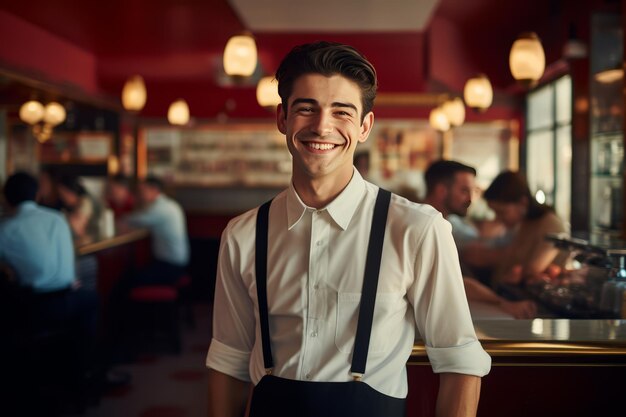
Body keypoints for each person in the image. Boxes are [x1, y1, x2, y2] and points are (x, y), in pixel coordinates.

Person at [206, 42, 490, 417]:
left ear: (364, 127)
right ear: (282, 119)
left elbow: (460, 363)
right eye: (306, 108)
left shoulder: (417, 229)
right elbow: (228, 361)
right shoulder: (242, 235)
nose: (322, 126)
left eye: (342, 111)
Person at [423, 160, 537, 319]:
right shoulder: (427, 227)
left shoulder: (447, 222)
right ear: (441, 191)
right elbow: (457, 281)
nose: (470, 199)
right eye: (464, 191)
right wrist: (502, 303)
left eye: (472, 191)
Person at [462, 170, 568, 288]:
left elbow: (532, 270)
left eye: (502, 212)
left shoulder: (551, 225)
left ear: (523, 203)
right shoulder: (523, 224)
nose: (499, 219)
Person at [123, 175, 189, 285]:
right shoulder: (169, 204)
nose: (141, 194)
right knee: (131, 275)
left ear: (154, 190)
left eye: (143, 190)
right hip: (176, 263)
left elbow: (135, 219)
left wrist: (120, 218)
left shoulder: (160, 208)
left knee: (127, 280)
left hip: (170, 266)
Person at [57, 174, 104, 244]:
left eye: (63, 193)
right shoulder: (70, 207)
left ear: (71, 191)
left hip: (91, 245)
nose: (62, 197)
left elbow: (77, 228)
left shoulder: (86, 203)